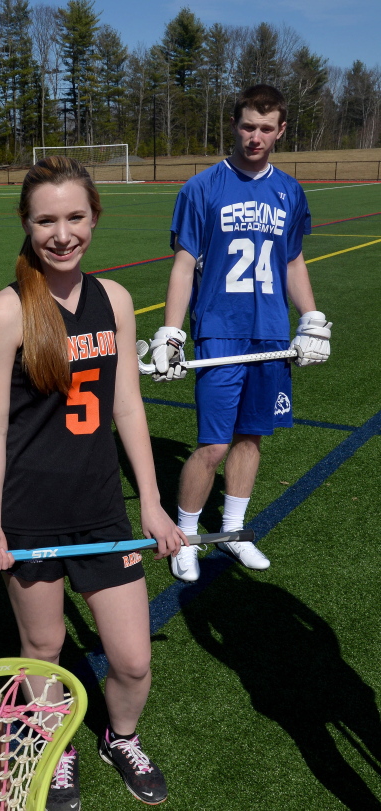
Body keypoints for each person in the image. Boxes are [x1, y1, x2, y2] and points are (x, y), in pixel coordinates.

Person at [0, 157, 185, 808]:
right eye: (45, 220)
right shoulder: (5, 313)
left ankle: (118, 736)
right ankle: (52, 744)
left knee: (130, 658)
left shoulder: (115, 300)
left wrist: (150, 501)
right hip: (30, 511)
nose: (61, 233)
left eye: (74, 217)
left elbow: (126, 405)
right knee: (43, 646)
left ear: (93, 216)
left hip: (100, 509)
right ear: (26, 224)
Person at [150, 84, 331, 583]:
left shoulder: (289, 191)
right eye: (248, 126)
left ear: (281, 130)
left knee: (251, 438)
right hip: (220, 332)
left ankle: (232, 532)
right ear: (234, 124)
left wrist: (311, 316)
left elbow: (292, 258)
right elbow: (184, 265)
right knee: (212, 445)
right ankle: (185, 537)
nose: (256, 137)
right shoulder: (202, 188)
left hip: (271, 332)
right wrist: (171, 330)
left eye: (266, 128)